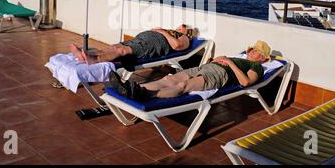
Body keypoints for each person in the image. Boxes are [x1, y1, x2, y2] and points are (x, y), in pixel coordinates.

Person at [109, 41, 271, 101]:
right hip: (206, 67)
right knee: (169, 79)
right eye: (252, 49)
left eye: (257, 52)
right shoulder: (240, 57)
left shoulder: (257, 67)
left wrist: (229, 61)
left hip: (219, 75)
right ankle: (131, 88)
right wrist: (215, 60)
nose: (252, 52)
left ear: (263, 58)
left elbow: (245, 82)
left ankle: (145, 94)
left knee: (183, 86)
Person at [70, 24, 194, 65]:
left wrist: (161, 31)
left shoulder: (184, 38)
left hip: (151, 45)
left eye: (182, 27)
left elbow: (176, 45)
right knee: (115, 47)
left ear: (187, 32)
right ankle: (86, 54)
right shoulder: (171, 31)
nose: (179, 27)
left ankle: (95, 60)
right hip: (143, 39)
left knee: (122, 51)